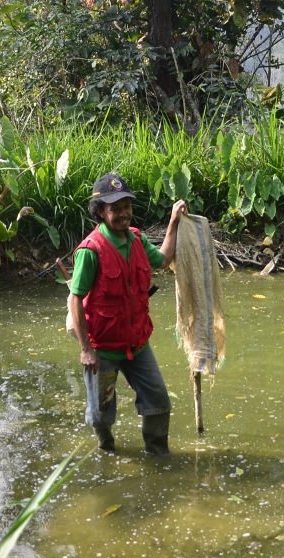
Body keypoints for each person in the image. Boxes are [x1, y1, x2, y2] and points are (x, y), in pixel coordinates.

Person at [68, 173, 188, 455]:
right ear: (100, 212)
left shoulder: (137, 240)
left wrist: (173, 221)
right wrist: (86, 350)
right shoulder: (91, 250)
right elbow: (75, 299)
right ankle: (106, 450)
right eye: (115, 209)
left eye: (127, 207)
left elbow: (164, 259)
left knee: (159, 401)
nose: (123, 214)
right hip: (104, 351)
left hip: (137, 345)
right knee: (101, 413)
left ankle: (157, 455)